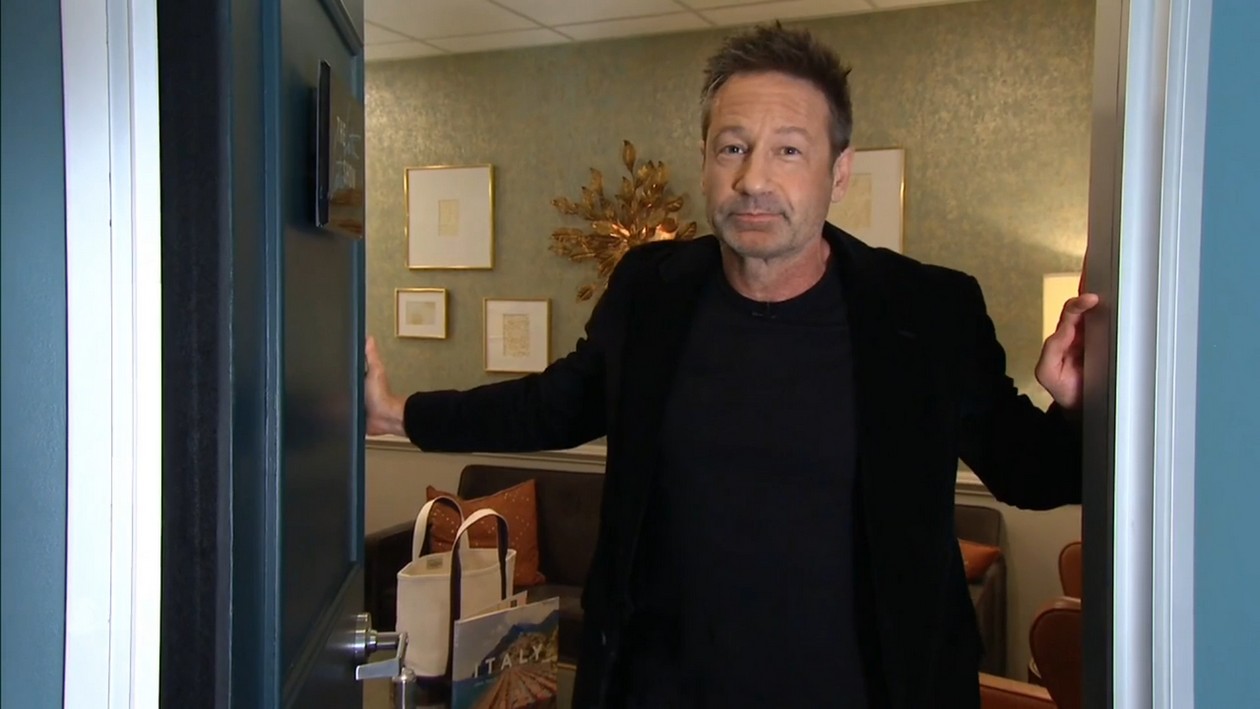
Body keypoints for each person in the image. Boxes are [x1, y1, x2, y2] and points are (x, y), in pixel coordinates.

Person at [365, 23, 1099, 709]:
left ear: (840, 173)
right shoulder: (651, 292)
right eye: (732, 147)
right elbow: (551, 404)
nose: (754, 178)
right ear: (705, 162)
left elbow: (1032, 474)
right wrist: (399, 413)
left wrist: (1071, 403)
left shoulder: (927, 312)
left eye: (789, 151)